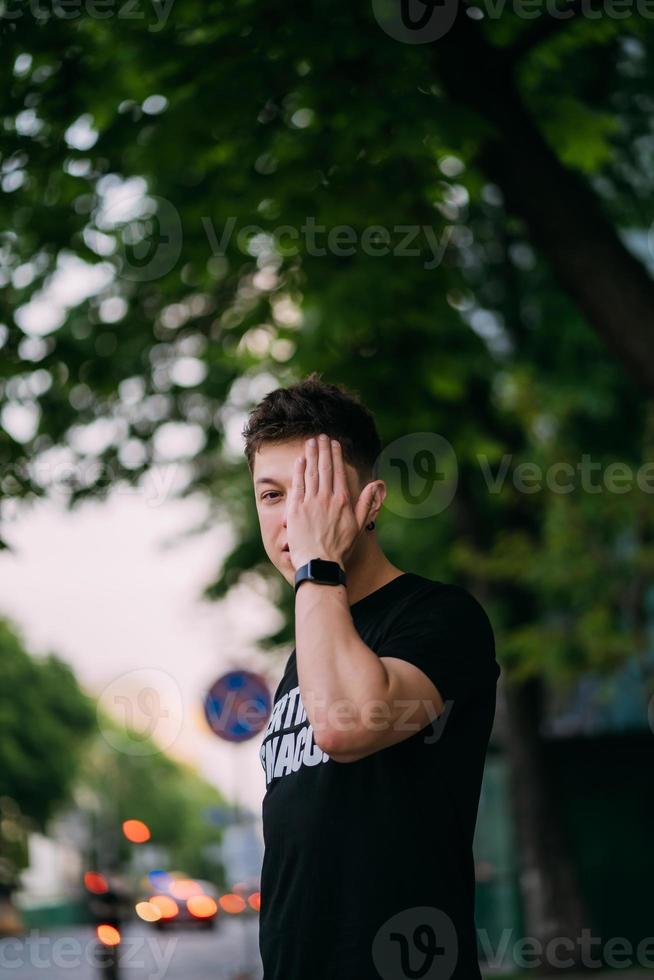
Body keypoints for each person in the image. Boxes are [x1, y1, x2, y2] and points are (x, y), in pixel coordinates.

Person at [242, 371, 501, 980]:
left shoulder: (441, 617)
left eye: (312, 491)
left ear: (370, 502)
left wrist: (317, 566)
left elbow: (348, 725)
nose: (291, 519)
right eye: (271, 495)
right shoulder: (311, 642)